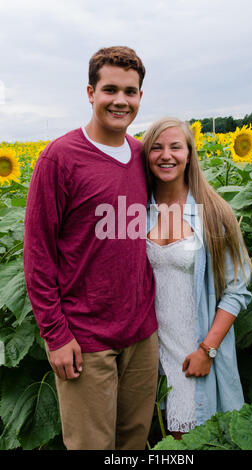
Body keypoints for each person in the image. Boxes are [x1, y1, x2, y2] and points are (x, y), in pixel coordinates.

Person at [23, 46, 159, 450]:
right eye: (110, 89)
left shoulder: (141, 156)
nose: (121, 101)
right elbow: (38, 255)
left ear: (139, 97)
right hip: (85, 340)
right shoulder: (59, 159)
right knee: (91, 446)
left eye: (131, 92)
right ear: (90, 92)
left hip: (141, 335)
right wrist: (55, 335)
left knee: (134, 442)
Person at [142, 117, 252, 440]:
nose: (167, 155)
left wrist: (208, 350)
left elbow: (236, 291)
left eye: (176, 147)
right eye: (157, 147)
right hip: (149, 354)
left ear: (189, 154)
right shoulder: (137, 210)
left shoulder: (214, 212)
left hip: (195, 351)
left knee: (194, 436)